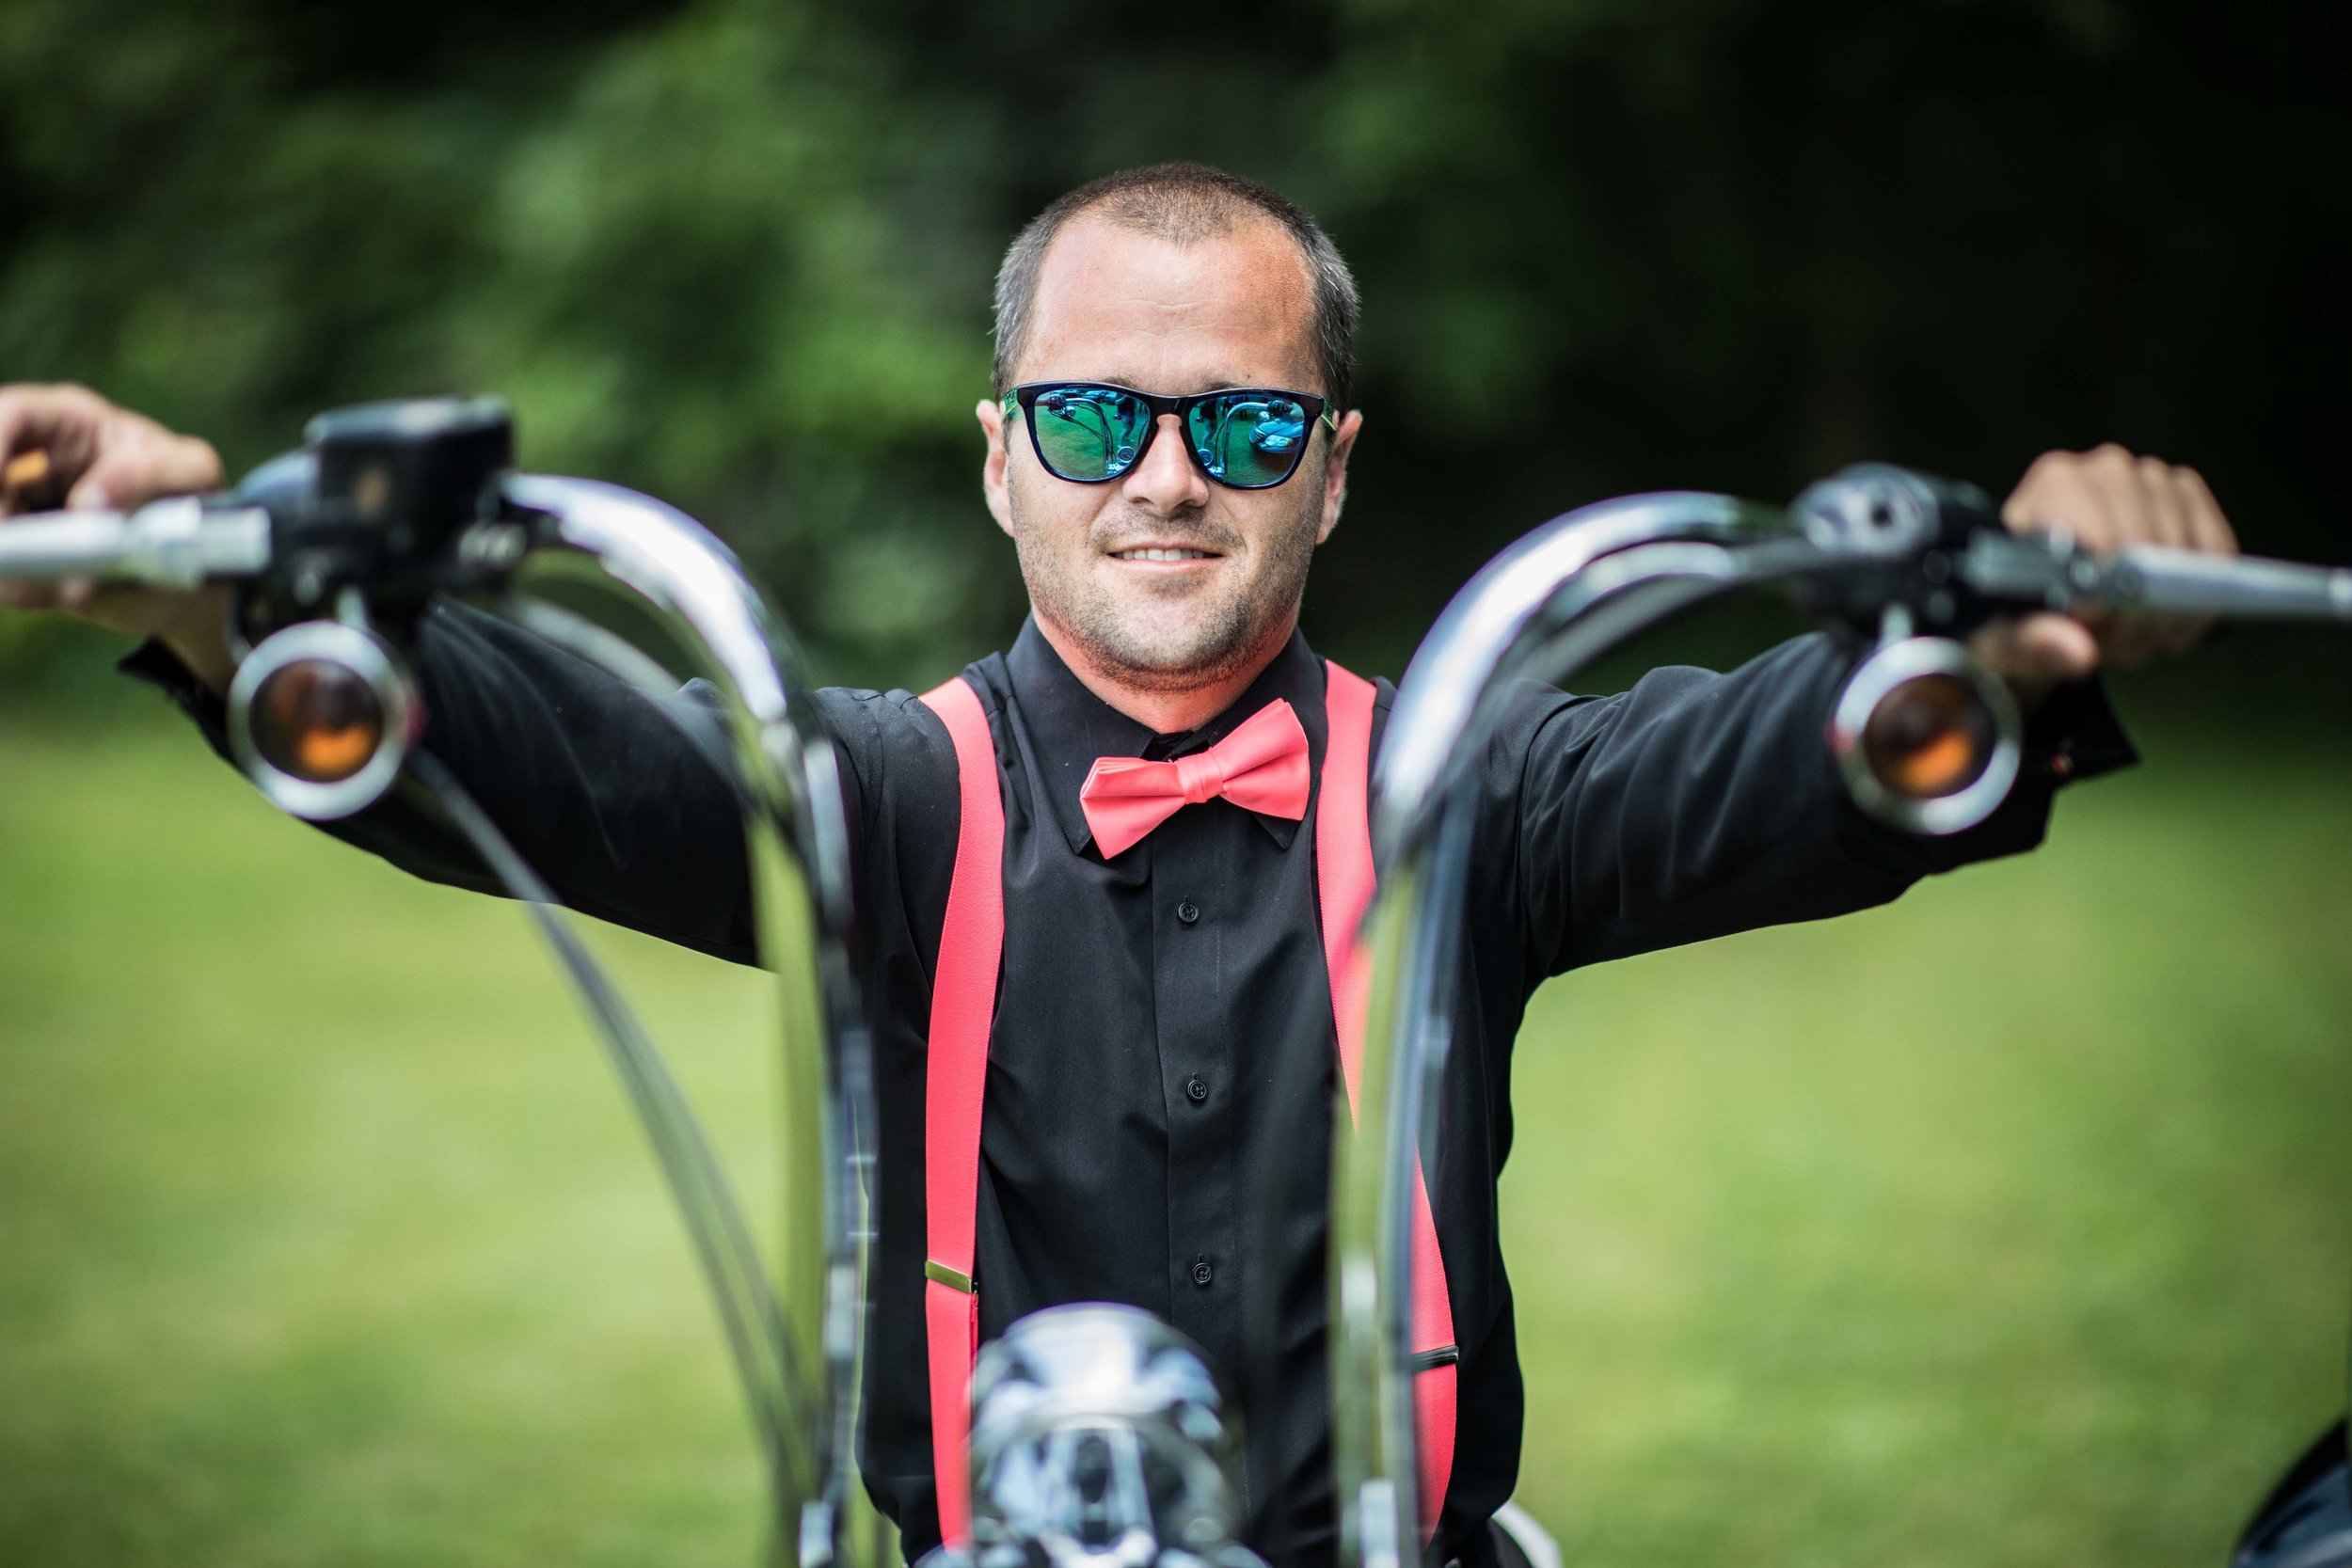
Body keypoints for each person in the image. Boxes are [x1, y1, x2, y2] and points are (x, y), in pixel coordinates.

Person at [0, 162, 2238, 1568]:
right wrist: (209, 588)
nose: (1166, 475)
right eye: (1094, 418)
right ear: (1002, 463)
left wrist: (2001, 648)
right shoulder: (878, 794)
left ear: (1329, 475)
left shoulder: (1467, 789)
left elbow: (1771, 757)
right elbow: (550, 748)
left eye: (1244, 423)